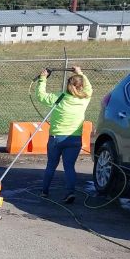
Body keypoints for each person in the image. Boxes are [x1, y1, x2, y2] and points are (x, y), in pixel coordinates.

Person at [35, 66, 92, 204]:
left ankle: (44, 191)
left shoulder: (59, 98)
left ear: (68, 85)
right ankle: (70, 192)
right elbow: (89, 88)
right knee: (69, 167)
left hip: (56, 138)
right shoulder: (85, 99)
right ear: (81, 87)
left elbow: (40, 96)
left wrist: (42, 79)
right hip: (74, 139)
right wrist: (80, 73)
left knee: (51, 165)